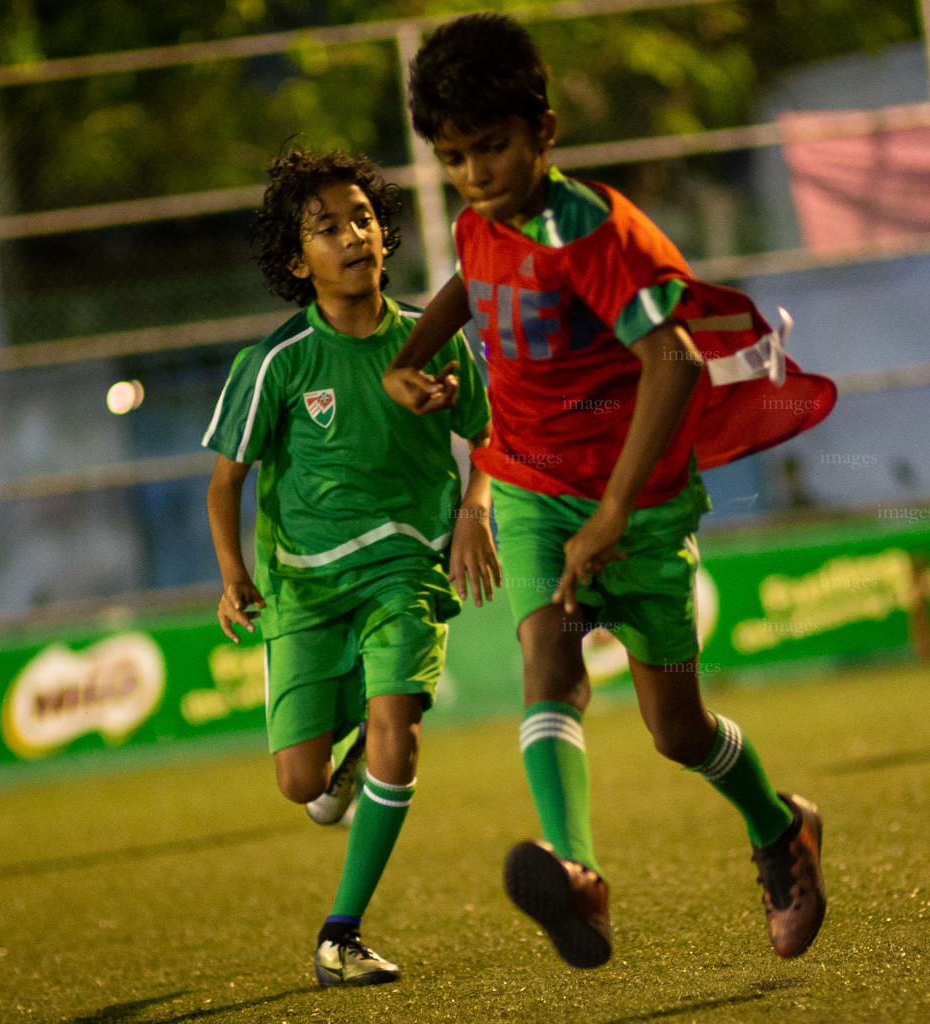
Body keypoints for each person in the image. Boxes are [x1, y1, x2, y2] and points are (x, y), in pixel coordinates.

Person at [384, 12, 836, 970]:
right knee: (547, 664)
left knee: (676, 730)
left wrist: (618, 512)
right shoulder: (478, 220)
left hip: (639, 498)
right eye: (452, 157)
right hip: (531, 485)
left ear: (543, 131)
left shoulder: (597, 233)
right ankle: (576, 871)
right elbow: (469, 277)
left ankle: (780, 827)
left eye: (492, 148)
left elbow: (669, 360)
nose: (473, 175)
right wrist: (409, 359)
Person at [203, 149, 496, 986]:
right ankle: (348, 758)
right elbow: (226, 482)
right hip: (303, 587)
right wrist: (233, 575)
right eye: (328, 228)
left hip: (406, 572)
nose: (354, 235)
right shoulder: (276, 362)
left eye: (363, 217)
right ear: (298, 263)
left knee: (398, 731)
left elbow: (490, 434)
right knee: (301, 784)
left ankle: (342, 932)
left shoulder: (430, 341)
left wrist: (475, 512)